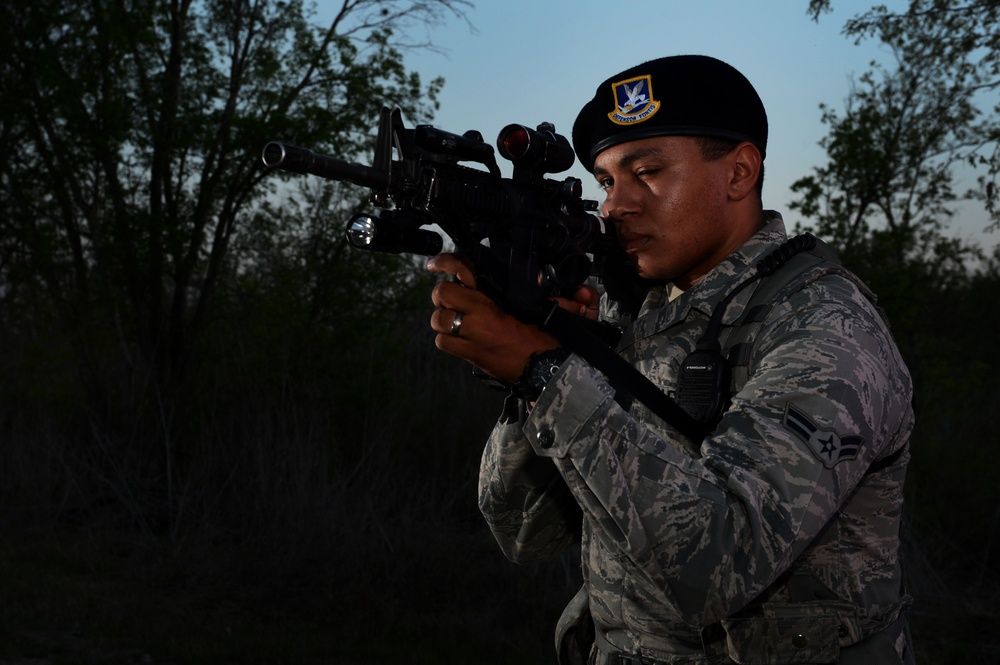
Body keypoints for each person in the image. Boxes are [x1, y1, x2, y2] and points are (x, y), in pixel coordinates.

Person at [427, 55, 915, 665]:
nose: (615, 205)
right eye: (606, 181)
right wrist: (543, 362)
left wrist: (547, 374)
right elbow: (524, 530)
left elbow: (725, 561)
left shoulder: (825, 326)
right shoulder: (633, 313)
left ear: (739, 172)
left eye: (648, 172)